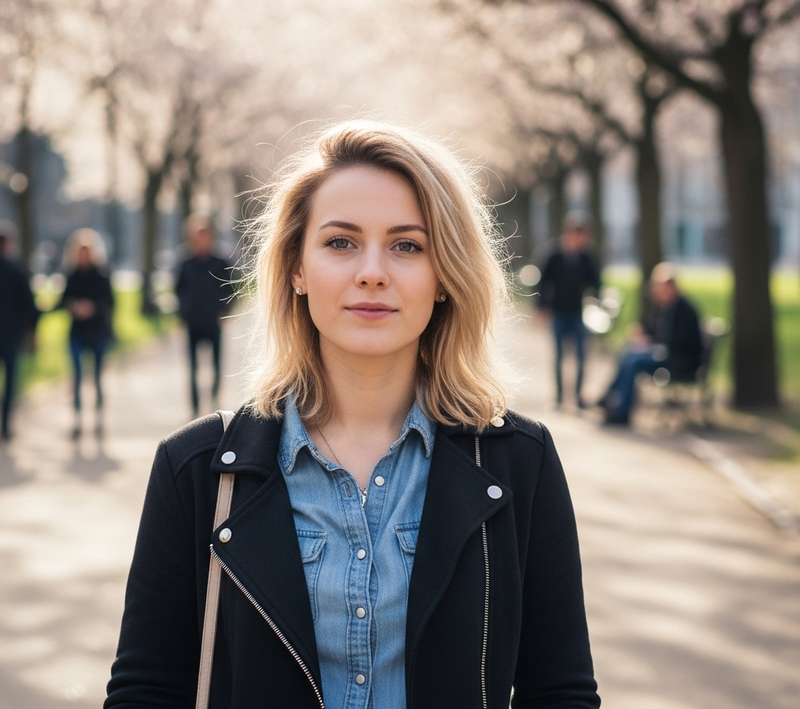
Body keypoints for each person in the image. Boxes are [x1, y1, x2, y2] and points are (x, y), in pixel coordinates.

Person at [105, 121, 600, 708]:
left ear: (444, 276)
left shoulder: (519, 462)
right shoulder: (197, 471)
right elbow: (147, 690)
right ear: (296, 269)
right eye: (340, 242)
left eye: (407, 245)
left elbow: (560, 689)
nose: (372, 271)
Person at [599, 262, 703, 426]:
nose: (656, 291)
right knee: (628, 354)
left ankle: (621, 412)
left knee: (634, 361)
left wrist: (652, 343)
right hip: (664, 354)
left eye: (659, 287)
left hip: (678, 361)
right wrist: (643, 336)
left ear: (671, 286)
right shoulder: (663, 307)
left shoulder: (685, 310)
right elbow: (654, 331)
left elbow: (680, 342)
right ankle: (611, 400)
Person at [536, 212, 601, 409]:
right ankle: (558, 397)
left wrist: (597, 302)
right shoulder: (554, 255)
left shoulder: (586, 257)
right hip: (558, 312)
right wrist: (542, 307)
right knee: (559, 356)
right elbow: (542, 282)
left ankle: (578, 396)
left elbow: (596, 282)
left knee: (581, 355)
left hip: (578, 312)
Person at [174, 215, 235, 416]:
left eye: (204, 234)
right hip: (193, 322)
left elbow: (232, 290)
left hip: (213, 321)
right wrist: (182, 314)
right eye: (196, 235)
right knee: (192, 369)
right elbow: (178, 290)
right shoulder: (185, 263)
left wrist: (225, 311)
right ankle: (195, 410)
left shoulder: (221, 262)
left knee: (217, 366)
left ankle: (214, 401)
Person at [58, 228, 115, 439]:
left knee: (98, 378)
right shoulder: (71, 276)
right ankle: (77, 420)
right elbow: (63, 301)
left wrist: (93, 308)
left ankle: (99, 419)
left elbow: (110, 302)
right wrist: (74, 307)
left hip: (98, 332)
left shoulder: (101, 274)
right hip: (77, 334)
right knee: (77, 378)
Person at [0, 221, 39, 441]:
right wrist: (32, 332)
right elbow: (29, 305)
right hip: (11, 336)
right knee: (10, 382)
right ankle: (5, 426)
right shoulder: (17, 270)